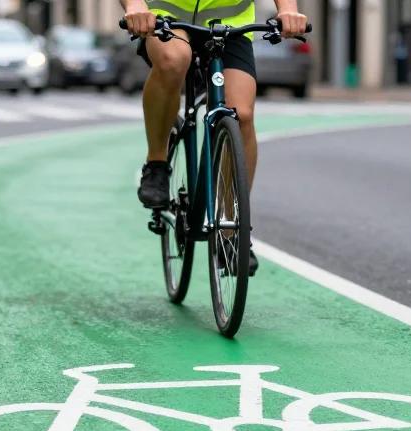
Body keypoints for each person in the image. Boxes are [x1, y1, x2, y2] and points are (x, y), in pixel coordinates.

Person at [121, 0, 307, 275]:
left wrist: (288, 9)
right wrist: (135, 5)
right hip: (164, 16)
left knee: (240, 114)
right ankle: (157, 164)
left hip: (230, 25)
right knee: (174, 60)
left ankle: (231, 229)